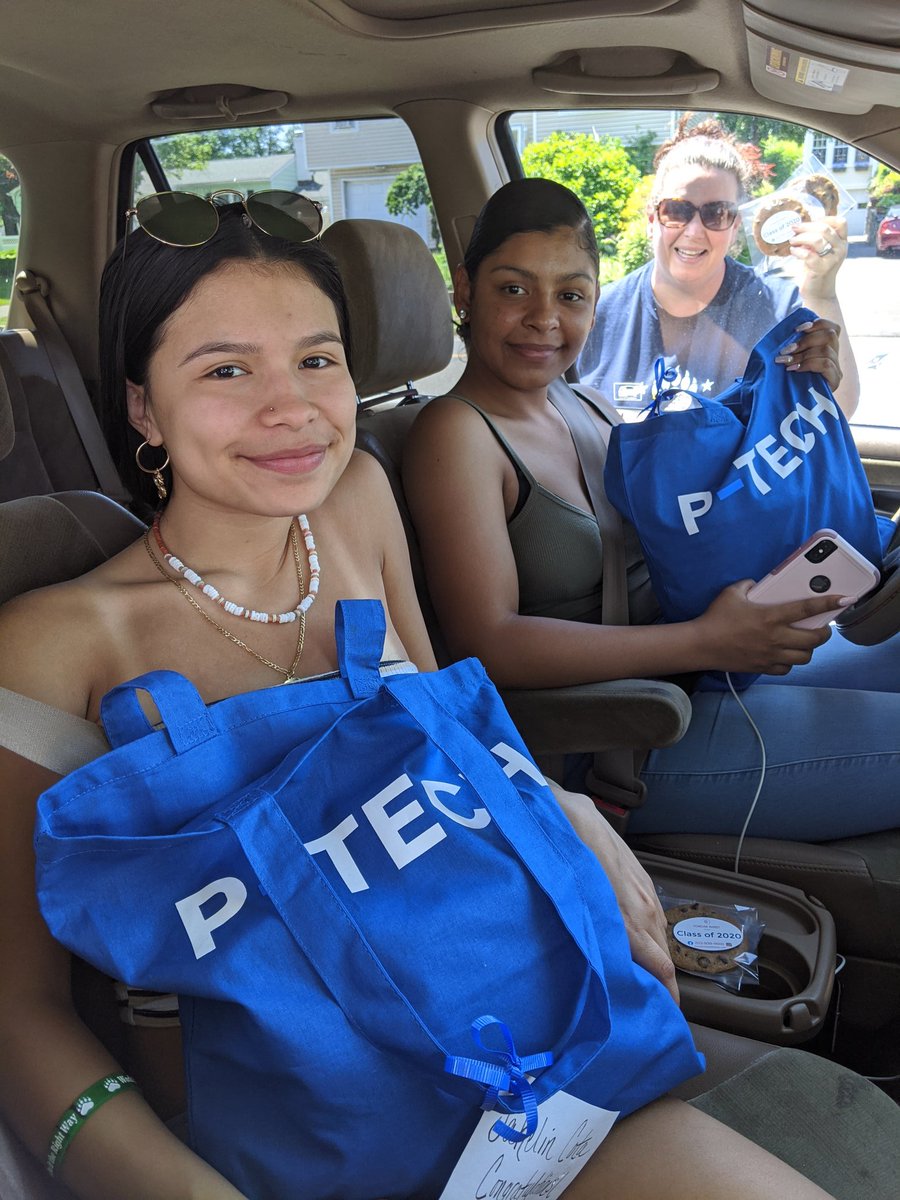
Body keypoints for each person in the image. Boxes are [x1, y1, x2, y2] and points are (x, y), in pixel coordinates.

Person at [0, 198, 840, 1200]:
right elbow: (18, 1007)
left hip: (541, 1053)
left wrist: (563, 808)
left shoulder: (356, 498)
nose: (292, 409)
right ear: (143, 406)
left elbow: (450, 733)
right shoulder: (57, 644)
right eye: (226, 370)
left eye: (316, 360)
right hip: (305, 1126)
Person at [402, 176, 900, 845]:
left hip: (694, 673)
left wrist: (799, 387)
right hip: (617, 737)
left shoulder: (586, 405)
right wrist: (706, 641)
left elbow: (710, 499)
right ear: (465, 290)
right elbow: (487, 643)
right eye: (513, 289)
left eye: (571, 294)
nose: (544, 317)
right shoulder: (455, 433)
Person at [576, 116, 861, 419]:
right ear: (652, 219)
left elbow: (838, 408)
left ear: (735, 226)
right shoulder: (597, 315)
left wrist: (822, 293)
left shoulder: (778, 311)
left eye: (717, 213)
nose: (694, 231)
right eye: (677, 210)